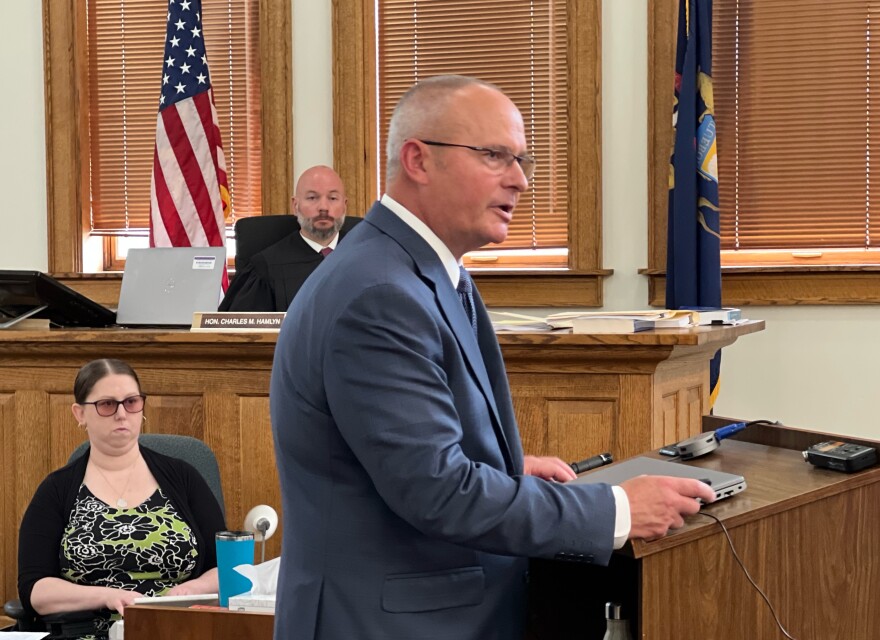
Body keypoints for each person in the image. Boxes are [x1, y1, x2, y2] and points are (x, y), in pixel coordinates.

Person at [270, 75, 715, 640]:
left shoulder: (417, 270)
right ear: (418, 159)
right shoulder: (380, 293)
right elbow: (438, 492)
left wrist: (507, 468)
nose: (520, 180)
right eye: (495, 155)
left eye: (521, 159)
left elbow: (401, 456)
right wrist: (617, 511)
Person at [17, 358, 225, 639]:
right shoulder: (57, 489)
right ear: (79, 414)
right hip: (89, 633)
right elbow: (35, 589)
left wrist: (192, 589)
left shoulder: (183, 477)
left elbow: (226, 568)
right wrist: (106, 596)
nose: (121, 414)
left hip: (178, 630)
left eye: (131, 402)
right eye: (106, 404)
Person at [219, 165, 362, 312]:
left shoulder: (367, 258)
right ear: (295, 206)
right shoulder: (265, 268)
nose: (323, 207)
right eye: (312, 198)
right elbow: (239, 332)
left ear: (344, 206)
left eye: (332, 198)